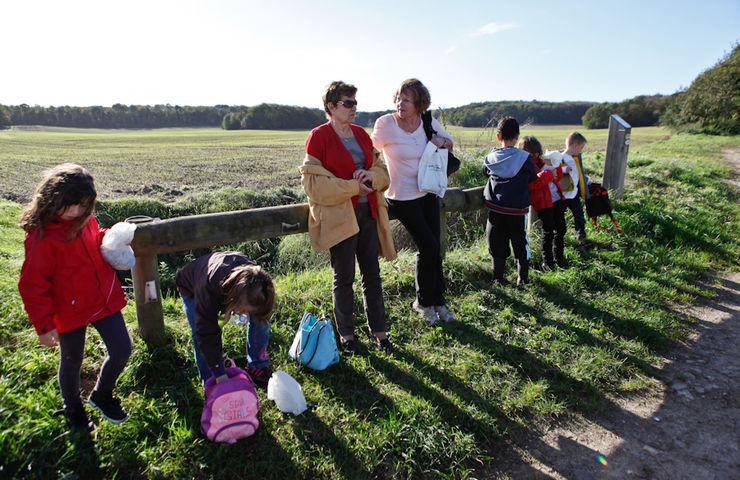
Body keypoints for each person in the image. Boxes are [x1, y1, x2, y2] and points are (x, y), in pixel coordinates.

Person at [18, 163, 132, 432]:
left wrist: (110, 239)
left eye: (85, 206)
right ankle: (73, 408)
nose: (79, 212)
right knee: (71, 361)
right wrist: (44, 326)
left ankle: (101, 395)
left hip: (102, 298)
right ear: (54, 199)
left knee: (122, 349)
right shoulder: (42, 237)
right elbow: (32, 284)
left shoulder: (86, 219)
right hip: (68, 309)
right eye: (73, 205)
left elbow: (93, 240)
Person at [300, 81, 396, 355]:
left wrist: (370, 177)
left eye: (355, 102)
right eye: (347, 103)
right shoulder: (318, 137)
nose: (354, 108)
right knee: (343, 277)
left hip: (368, 213)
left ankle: (380, 333)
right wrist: (354, 187)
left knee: (372, 274)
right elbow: (314, 186)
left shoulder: (361, 135)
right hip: (339, 216)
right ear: (331, 107)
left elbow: (382, 172)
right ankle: (347, 337)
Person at [371, 78, 455, 325]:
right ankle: (423, 303)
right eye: (398, 98)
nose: (400, 103)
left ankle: (439, 301)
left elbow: (450, 143)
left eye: (406, 99)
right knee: (428, 246)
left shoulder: (427, 121)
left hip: (427, 191)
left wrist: (439, 142)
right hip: (402, 196)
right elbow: (368, 149)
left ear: (419, 104)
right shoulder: (386, 123)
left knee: (434, 247)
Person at [176, 252, 275, 385]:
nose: (245, 314)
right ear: (234, 299)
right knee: (200, 334)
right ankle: (211, 381)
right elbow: (206, 334)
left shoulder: (259, 283)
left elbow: (262, 315)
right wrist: (219, 372)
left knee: (259, 318)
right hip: (191, 286)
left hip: (225, 280)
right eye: (243, 310)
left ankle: (258, 366)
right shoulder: (208, 291)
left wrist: (249, 312)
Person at [483, 117, 538, 285]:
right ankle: (523, 278)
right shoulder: (525, 158)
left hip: (496, 209)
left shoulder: (491, 158)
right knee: (520, 242)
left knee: (496, 242)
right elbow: (532, 177)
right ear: (517, 136)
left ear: (499, 137)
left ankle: (498, 278)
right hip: (517, 210)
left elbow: (485, 172)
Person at [517, 136, 570, 270]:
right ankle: (548, 262)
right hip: (543, 203)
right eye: (532, 153)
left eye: (537, 153)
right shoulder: (526, 165)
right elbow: (534, 183)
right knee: (548, 232)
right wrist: (549, 174)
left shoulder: (540, 162)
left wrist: (554, 166)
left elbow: (556, 173)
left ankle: (559, 258)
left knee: (561, 229)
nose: (535, 156)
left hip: (556, 199)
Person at [560, 132, 590, 247]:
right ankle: (559, 237)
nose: (581, 151)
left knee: (579, 216)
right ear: (575, 145)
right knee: (560, 218)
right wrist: (563, 170)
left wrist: (587, 180)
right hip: (562, 195)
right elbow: (555, 169)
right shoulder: (561, 158)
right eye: (581, 148)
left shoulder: (576, 159)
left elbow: (578, 175)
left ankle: (580, 236)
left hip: (574, 194)